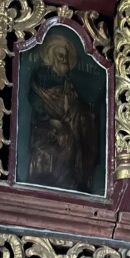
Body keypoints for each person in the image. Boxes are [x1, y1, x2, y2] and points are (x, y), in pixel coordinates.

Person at [27, 35, 98, 192]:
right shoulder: (41, 76)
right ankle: (61, 181)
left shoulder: (67, 81)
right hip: (44, 125)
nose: (64, 60)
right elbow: (36, 99)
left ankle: (76, 179)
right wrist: (49, 119)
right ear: (52, 57)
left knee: (84, 126)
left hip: (66, 121)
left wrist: (84, 112)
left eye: (66, 57)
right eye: (60, 56)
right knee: (66, 138)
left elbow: (73, 102)